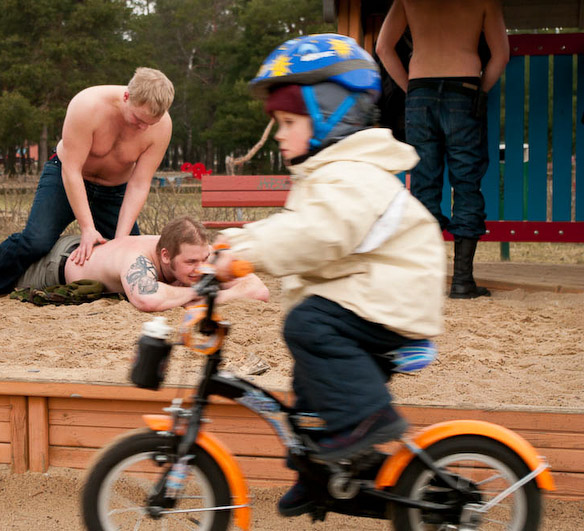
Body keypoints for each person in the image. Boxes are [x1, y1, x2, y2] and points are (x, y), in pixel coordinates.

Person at [213, 34, 445, 517]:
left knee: (308, 326)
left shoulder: (354, 174)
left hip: (393, 296)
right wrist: (234, 244)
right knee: (309, 388)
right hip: (365, 291)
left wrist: (247, 257)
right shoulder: (326, 175)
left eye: (289, 121)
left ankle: (370, 426)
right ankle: (321, 473)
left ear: (331, 115)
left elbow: (316, 235)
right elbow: (294, 228)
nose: (278, 134)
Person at [0, 67, 175, 301]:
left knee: (132, 258)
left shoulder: (161, 127)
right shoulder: (87, 106)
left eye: (151, 123)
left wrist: (121, 240)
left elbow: (139, 183)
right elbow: (72, 169)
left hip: (114, 191)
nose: (143, 128)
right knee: (36, 242)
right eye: (139, 119)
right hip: (65, 178)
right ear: (127, 97)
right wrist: (87, 229)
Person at [376, 0, 510, 298]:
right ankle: (462, 280)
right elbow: (501, 55)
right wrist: (481, 91)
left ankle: (425, 280)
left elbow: (383, 48)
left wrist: (410, 88)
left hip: (420, 91)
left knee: (425, 183)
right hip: (464, 90)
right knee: (466, 182)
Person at [0, 217, 269, 312]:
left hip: (79, 253)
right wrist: (203, 294)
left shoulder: (191, 256)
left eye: (203, 260)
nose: (198, 269)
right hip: (56, 267)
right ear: (166, 256)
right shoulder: (137, 260)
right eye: (190, 263)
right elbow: (147, 300)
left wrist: (209, 289)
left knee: (2, 261)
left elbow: (257, 288)